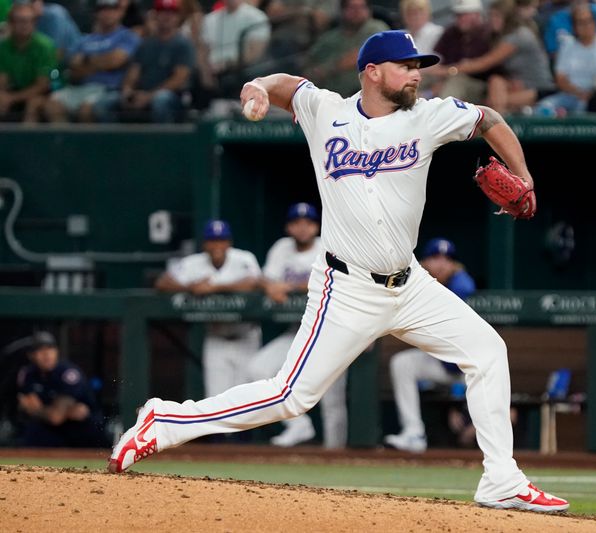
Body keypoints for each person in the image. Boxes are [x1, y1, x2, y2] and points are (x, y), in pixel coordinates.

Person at [109, 28, 569, 513]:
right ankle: (164, 422)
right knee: (289, 397)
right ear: (373, 72)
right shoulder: (326, 110)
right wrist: (261, 85)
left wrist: (524, 175)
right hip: (346, 288)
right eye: (407, 65)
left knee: (487, 351)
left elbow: (490, 118)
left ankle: (501, 478)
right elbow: (289, 84)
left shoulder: (430, 116)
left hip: (410, 285)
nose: (417, 73)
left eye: (418, 66)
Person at [246, 202, 349, 448]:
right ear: (289, 227)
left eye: (308, 223)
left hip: (330, 333)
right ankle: (299, 426)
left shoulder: (329, 245)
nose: (302, 228)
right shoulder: (282, 248)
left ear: (316, 226)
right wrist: (269, 285)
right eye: (297, 223)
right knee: (258, 368)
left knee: (331, 399)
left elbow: (334, 279)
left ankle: (338, 454)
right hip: (298, 331)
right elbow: (265, 278)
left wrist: (290, 287)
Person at [383, 238, 476, 453]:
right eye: (435, 258)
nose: (442, 264)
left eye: (448, 259)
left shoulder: (461, 283)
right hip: (442, 363)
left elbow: (464, 288)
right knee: (403, 363)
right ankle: (413, 433)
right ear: (424, 262)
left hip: (467, 367)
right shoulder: (415, 279)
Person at [155, 220, 263, 397]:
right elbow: (162, 283)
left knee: (246, 401)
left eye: (221, 240)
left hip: (246, 337)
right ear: (205, 244)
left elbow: (255, 283)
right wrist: (190, 287)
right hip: (216, 337)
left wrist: (215, 287)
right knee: (215, 399)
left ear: (229, 243)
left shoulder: (244, 258)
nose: (217, 245)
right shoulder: (193, 263)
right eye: (212, 241)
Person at [95, 0, 195, 122]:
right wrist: (128, 91)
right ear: (155, 15)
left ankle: (163, 141)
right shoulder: (145, 44)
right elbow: (133, 73)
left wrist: (149, 96)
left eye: (171, 13)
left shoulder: (183, 44)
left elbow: (179, 79)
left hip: (173, 98)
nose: (167, 16)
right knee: (105, 103)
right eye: (162, 12)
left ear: (178, 17)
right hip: (142, 94)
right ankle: (114, 141)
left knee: (161, 100)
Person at [42, 0, 141, 123]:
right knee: (53, 105)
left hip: (107, 89)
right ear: (96, 13)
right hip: (80, 87)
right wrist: (102, 62)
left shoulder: (127, 36)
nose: (107, 13)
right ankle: (65, 141)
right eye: (103, 9)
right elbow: (72, 64)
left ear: (120, 12)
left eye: (112, 9)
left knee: (87, 109)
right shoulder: (85, 39)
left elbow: (116, 60)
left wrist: (86, 61)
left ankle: (88, 142)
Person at [450, 0, 554, 115]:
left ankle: (501, 124)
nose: (492, 19)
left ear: (508, 18)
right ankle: (502, 120)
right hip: (516, 84)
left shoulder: (519, 35)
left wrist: (448, 70)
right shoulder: (498, 37)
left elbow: (485, 63)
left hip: (538, 88)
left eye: (497, 16)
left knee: (490, 102)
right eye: (491, 15)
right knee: (496, 82)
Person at [15, 332, 109, 447]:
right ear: (31, 355)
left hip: (82, 428)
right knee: (32, 432)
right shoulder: (28, 374)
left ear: (56, 351)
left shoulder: (68, 373)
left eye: (50, 348)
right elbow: (25, 406)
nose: (46, 354)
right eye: (40, 350)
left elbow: (56, 417)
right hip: (52, 429)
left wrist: (37, 410)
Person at [533, 2, 596, 116]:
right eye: (580, 23)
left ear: (595, 23)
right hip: (570, 94)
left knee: (582, 109)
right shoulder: (567, 45)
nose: (586, 26)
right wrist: (579, 93)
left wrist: (591, 94)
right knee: (542, 108)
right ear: (574, 26)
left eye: (588, 21)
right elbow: (560, 78)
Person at [302, 0, 388, 98]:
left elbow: (362, 54)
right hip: (330, 97)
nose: (357, 11)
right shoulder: (330, 37)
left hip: (365, 95)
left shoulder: (376, 28)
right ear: (342, 11)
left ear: (369, 10)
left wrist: (328, 69)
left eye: (362, 7)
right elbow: (309, 60)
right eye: (352, 8)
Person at [0, 1, 56, 122]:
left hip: (48, 93)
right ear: (11, 23)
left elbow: (42, 86)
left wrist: (11, 98)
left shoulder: (45, 46)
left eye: (29, 20)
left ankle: (28, 140)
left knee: (33, 105)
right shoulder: (3, 47)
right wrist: (3, 96)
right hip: (15, 91)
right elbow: (2, 80)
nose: (25, 25)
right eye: (20, 20)